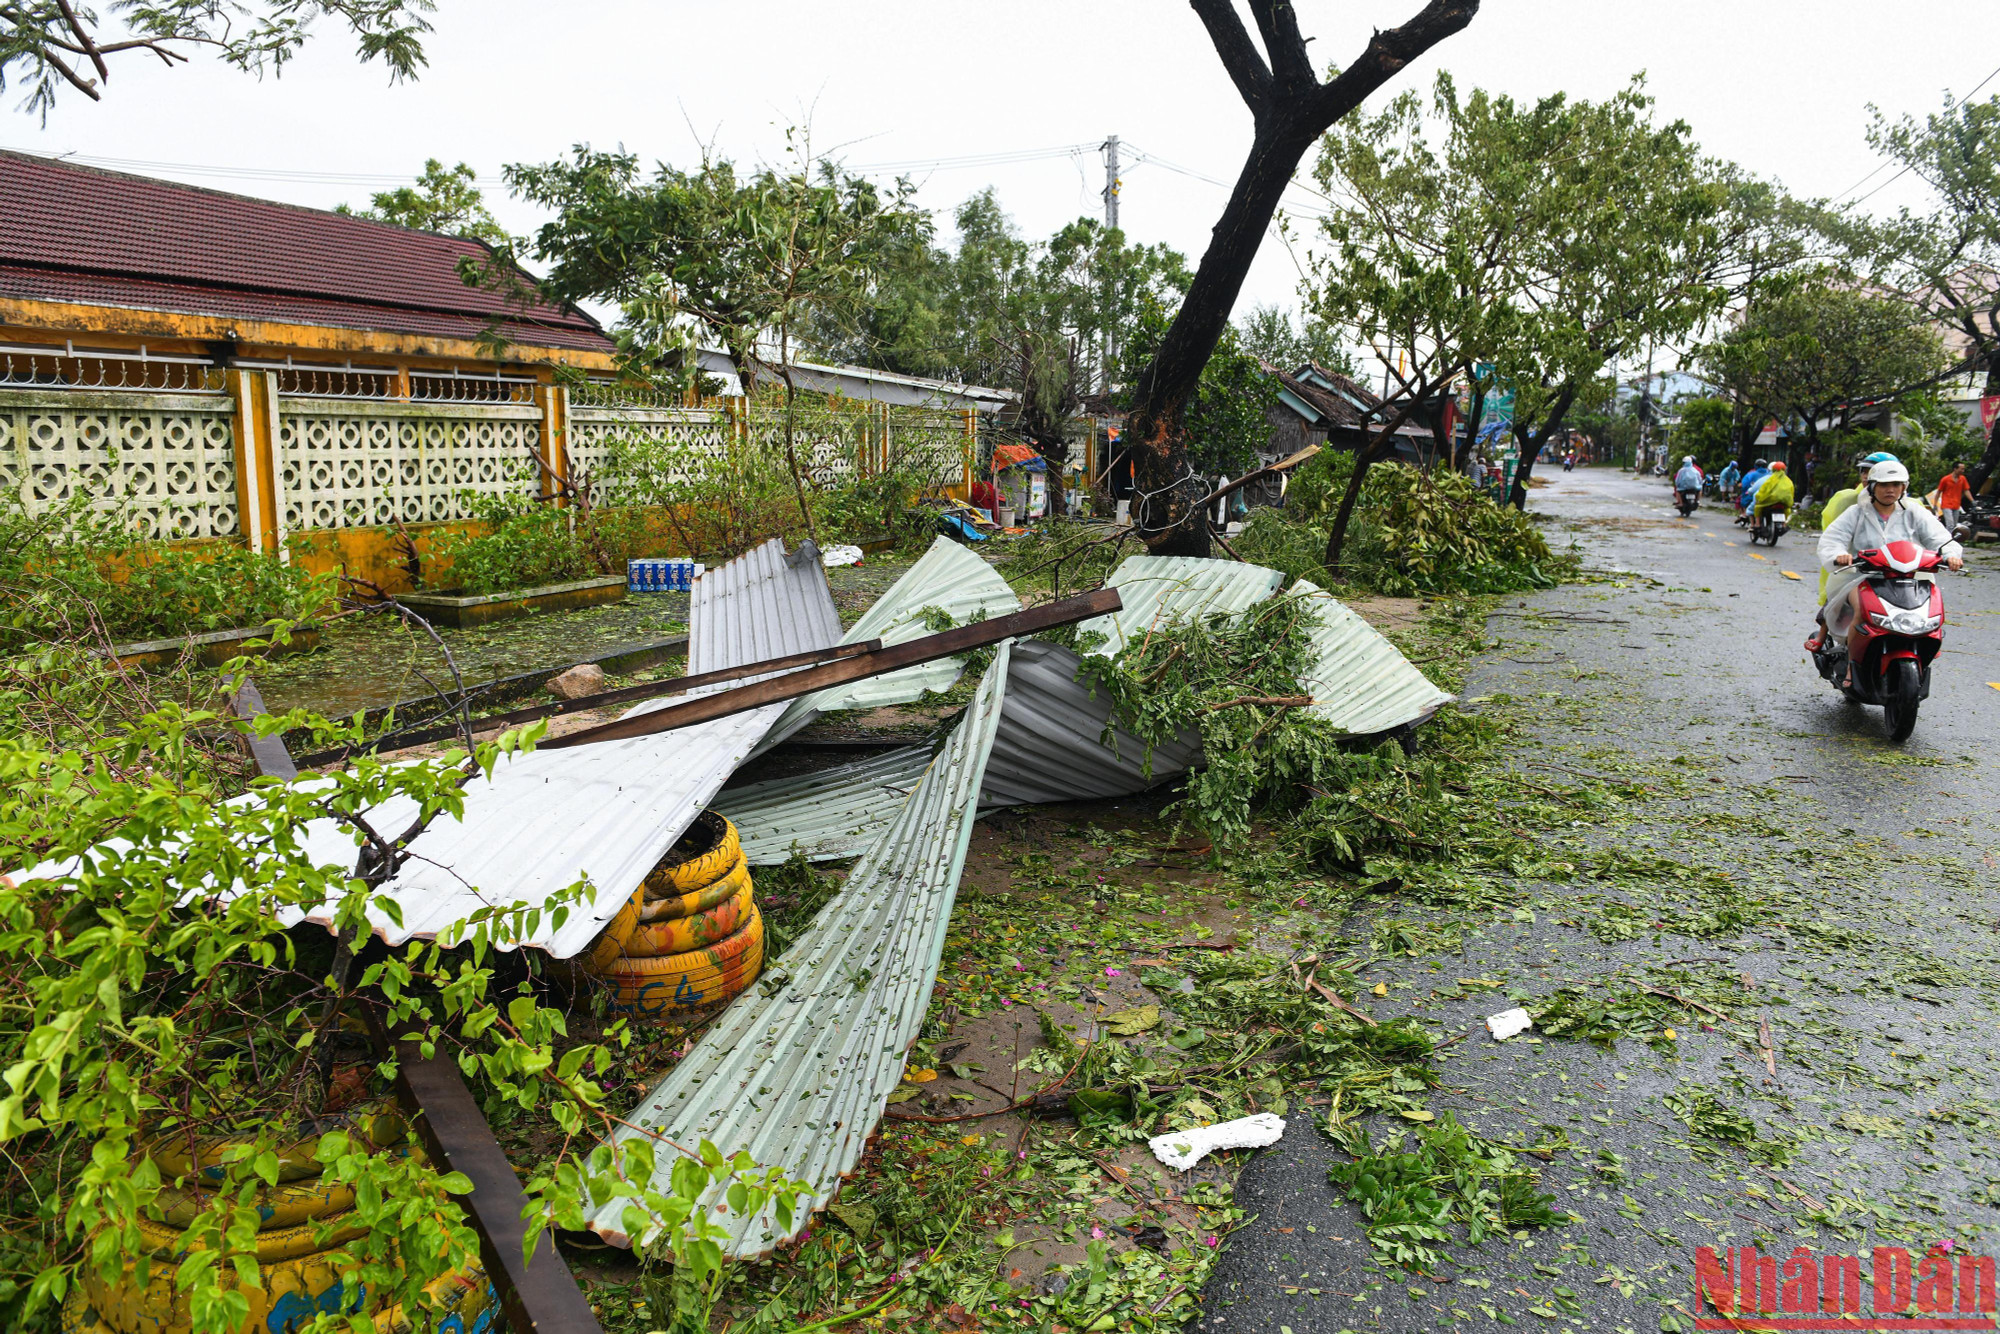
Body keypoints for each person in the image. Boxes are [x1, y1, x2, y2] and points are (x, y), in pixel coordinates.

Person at [1809, 460, 1962, 664]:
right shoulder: (1856, 512)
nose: (1890, 490)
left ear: (1903, 487)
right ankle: (1852, 667)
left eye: (1896, 484)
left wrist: (1951, 555)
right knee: (1860, 612)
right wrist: (1839, 554)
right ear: (1872, 487)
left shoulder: (1915, 512)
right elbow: (1832, 539)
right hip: (1863, 577)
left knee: (1930, 611)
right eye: (1883, 485)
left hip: (1908, 577)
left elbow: (1940, 538)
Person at [1935, 461, 1973, 537]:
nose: (1963, 471)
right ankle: (1948, 539)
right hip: (1946, 505)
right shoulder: (1945, 479)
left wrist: (1972, 501)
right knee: (1950, 525)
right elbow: (1938, 492)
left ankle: (1949, 538)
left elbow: (1966, 490)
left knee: (1954, 525)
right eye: (1961, 469)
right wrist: (1935, 504)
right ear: (1955, 469)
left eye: (1963, 469)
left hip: (1956, 505)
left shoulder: (1962, 479)